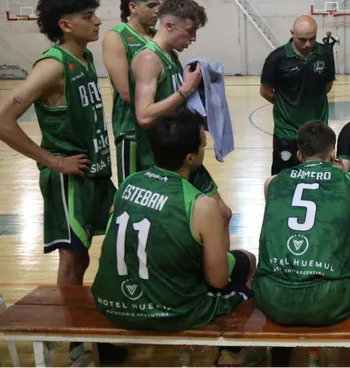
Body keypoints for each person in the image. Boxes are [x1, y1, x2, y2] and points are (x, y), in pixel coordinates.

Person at [0, 0, 127, 363]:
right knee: (72, 261)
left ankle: (87, 325)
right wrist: (54, 161)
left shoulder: (83, 56)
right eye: (89, 16)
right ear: (66, 24)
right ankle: (74, 338)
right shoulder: (53, 65)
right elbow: (3, 120)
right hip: (69, 180)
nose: (98, 21)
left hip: (96, 174)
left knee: (95, 255)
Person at [92, 110, 256, 367]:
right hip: (170, 313)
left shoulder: (128, 184)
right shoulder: (200, 205)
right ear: (190, 158)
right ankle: (234, 352)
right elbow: (218, 279)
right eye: (203, 143)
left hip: (111, 306)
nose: (205, 146)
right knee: (246, 263)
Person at [253, 121, 350, 367]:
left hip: (273, 299)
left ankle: (279, 358)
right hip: (327, 300)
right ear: (333, 153)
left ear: (298, 154)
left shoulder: (272, 182)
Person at [131, 0, 233, 242]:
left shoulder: (170, 56)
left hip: (183, 153)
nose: (193, 38)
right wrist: (184, 91)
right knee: (205, 219)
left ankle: (218, 273)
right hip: (163, 160)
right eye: (190, 31)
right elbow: (144, 115)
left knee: (223, 214)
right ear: (168, 25)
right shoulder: (148, 58)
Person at [103, 0, 165, 184]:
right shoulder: (117, 37)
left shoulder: (157, 37)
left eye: (159, 6)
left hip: (159, 126)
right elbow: (126, 93)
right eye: (151, 5)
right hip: (131, 130)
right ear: (133, 7)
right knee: (132, 191)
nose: (157, 11)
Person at [260, 15, 336, 175]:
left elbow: (327, 86)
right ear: (292, 33)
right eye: (302, 39)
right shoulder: (277, 59)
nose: (308, 44)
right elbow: (265, 91)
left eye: (312, 39)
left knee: (318, 179)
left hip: (317, 132)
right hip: (287, 132)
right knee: (284, 179)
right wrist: (288, 105)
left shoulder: (326, 54)